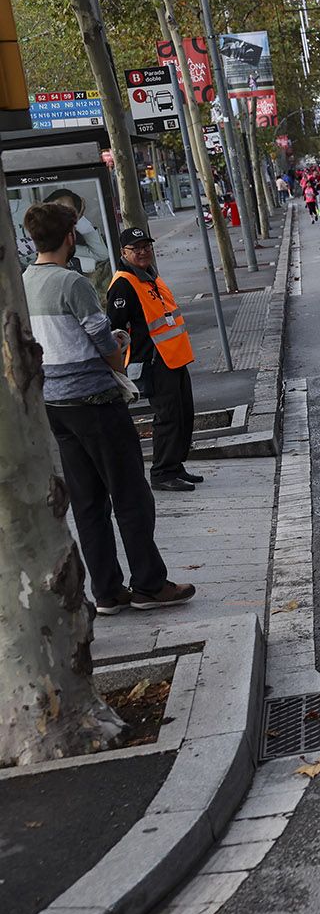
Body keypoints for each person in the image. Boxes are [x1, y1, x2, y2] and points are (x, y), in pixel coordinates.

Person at [22, 203, 196, 614]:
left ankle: (107, 591)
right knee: (130, 493)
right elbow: (104, 341)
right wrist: (118, 344)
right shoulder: (72, 283)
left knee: (87, 502)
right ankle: (150, 585)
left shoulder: (24, 280)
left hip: (57, 405)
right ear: (69, 237)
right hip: (96, 401)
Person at [107, 228, 201, 492]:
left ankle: (175, 465)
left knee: (184, 414)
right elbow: (115, 329)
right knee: (168, 417)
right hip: (153, 362)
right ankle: (162, 472)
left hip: (175, 358)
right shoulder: (124, 283)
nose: (142, 252)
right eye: (135, 248)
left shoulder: (150, 277)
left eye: (146, 246)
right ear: (124, 253)